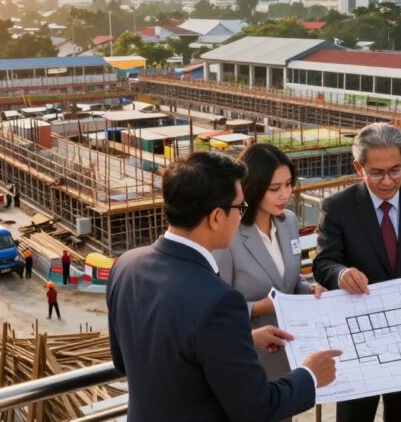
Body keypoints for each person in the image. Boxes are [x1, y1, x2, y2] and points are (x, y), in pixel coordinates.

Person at [107, 152, 340, 422]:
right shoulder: (218, 300)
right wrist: (310, 375)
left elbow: (124, 360)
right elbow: (256, 407)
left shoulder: (126, 266)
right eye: (239, 208)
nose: (242, 217)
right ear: (217, 217)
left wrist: (239, 342)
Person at [313, 122, 401, 422]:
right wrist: (341, 274)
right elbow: (324, 263)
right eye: (376, 172)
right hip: (358, 341)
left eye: (396, 170)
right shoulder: (337, 207)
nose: (388, 181)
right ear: (358, 167)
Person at [214, 143, 325, 386]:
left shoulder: (289, 222)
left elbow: (291, 280)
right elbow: (215, 308)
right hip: (250, 357)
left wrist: (309, 289)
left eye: (288, 184)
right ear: (252, 188)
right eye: (275, 188)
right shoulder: (229, 235)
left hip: (291, 349)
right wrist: (257, 307)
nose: (285, 195)